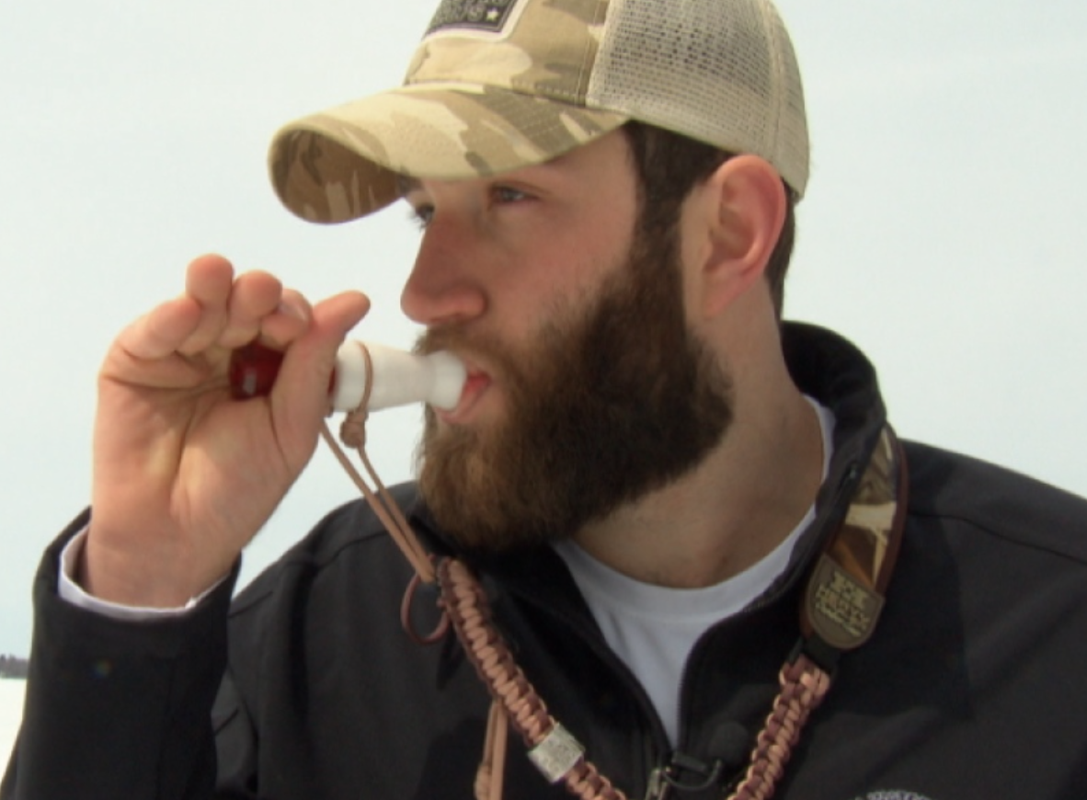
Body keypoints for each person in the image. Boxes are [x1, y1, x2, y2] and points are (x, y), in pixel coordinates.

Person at [4, 0, 1087, 798]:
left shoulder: (1053, 630)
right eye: (427, 213)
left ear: (727, 234)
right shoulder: (311, 645)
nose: (426, 292)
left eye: (510, 196)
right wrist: (139, 590)